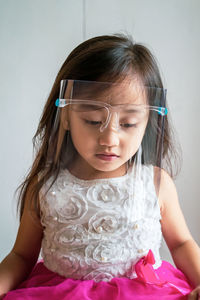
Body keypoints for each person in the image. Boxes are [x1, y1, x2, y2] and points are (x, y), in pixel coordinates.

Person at [0, 34, 200, 300]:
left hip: (144, 293)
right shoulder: (46, 186)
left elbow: (182, 243)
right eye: (93, 121)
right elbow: (21, 255)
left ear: (147, 122)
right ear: (67, 117)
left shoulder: (154, 182)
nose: (109, 140)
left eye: (128, 124)